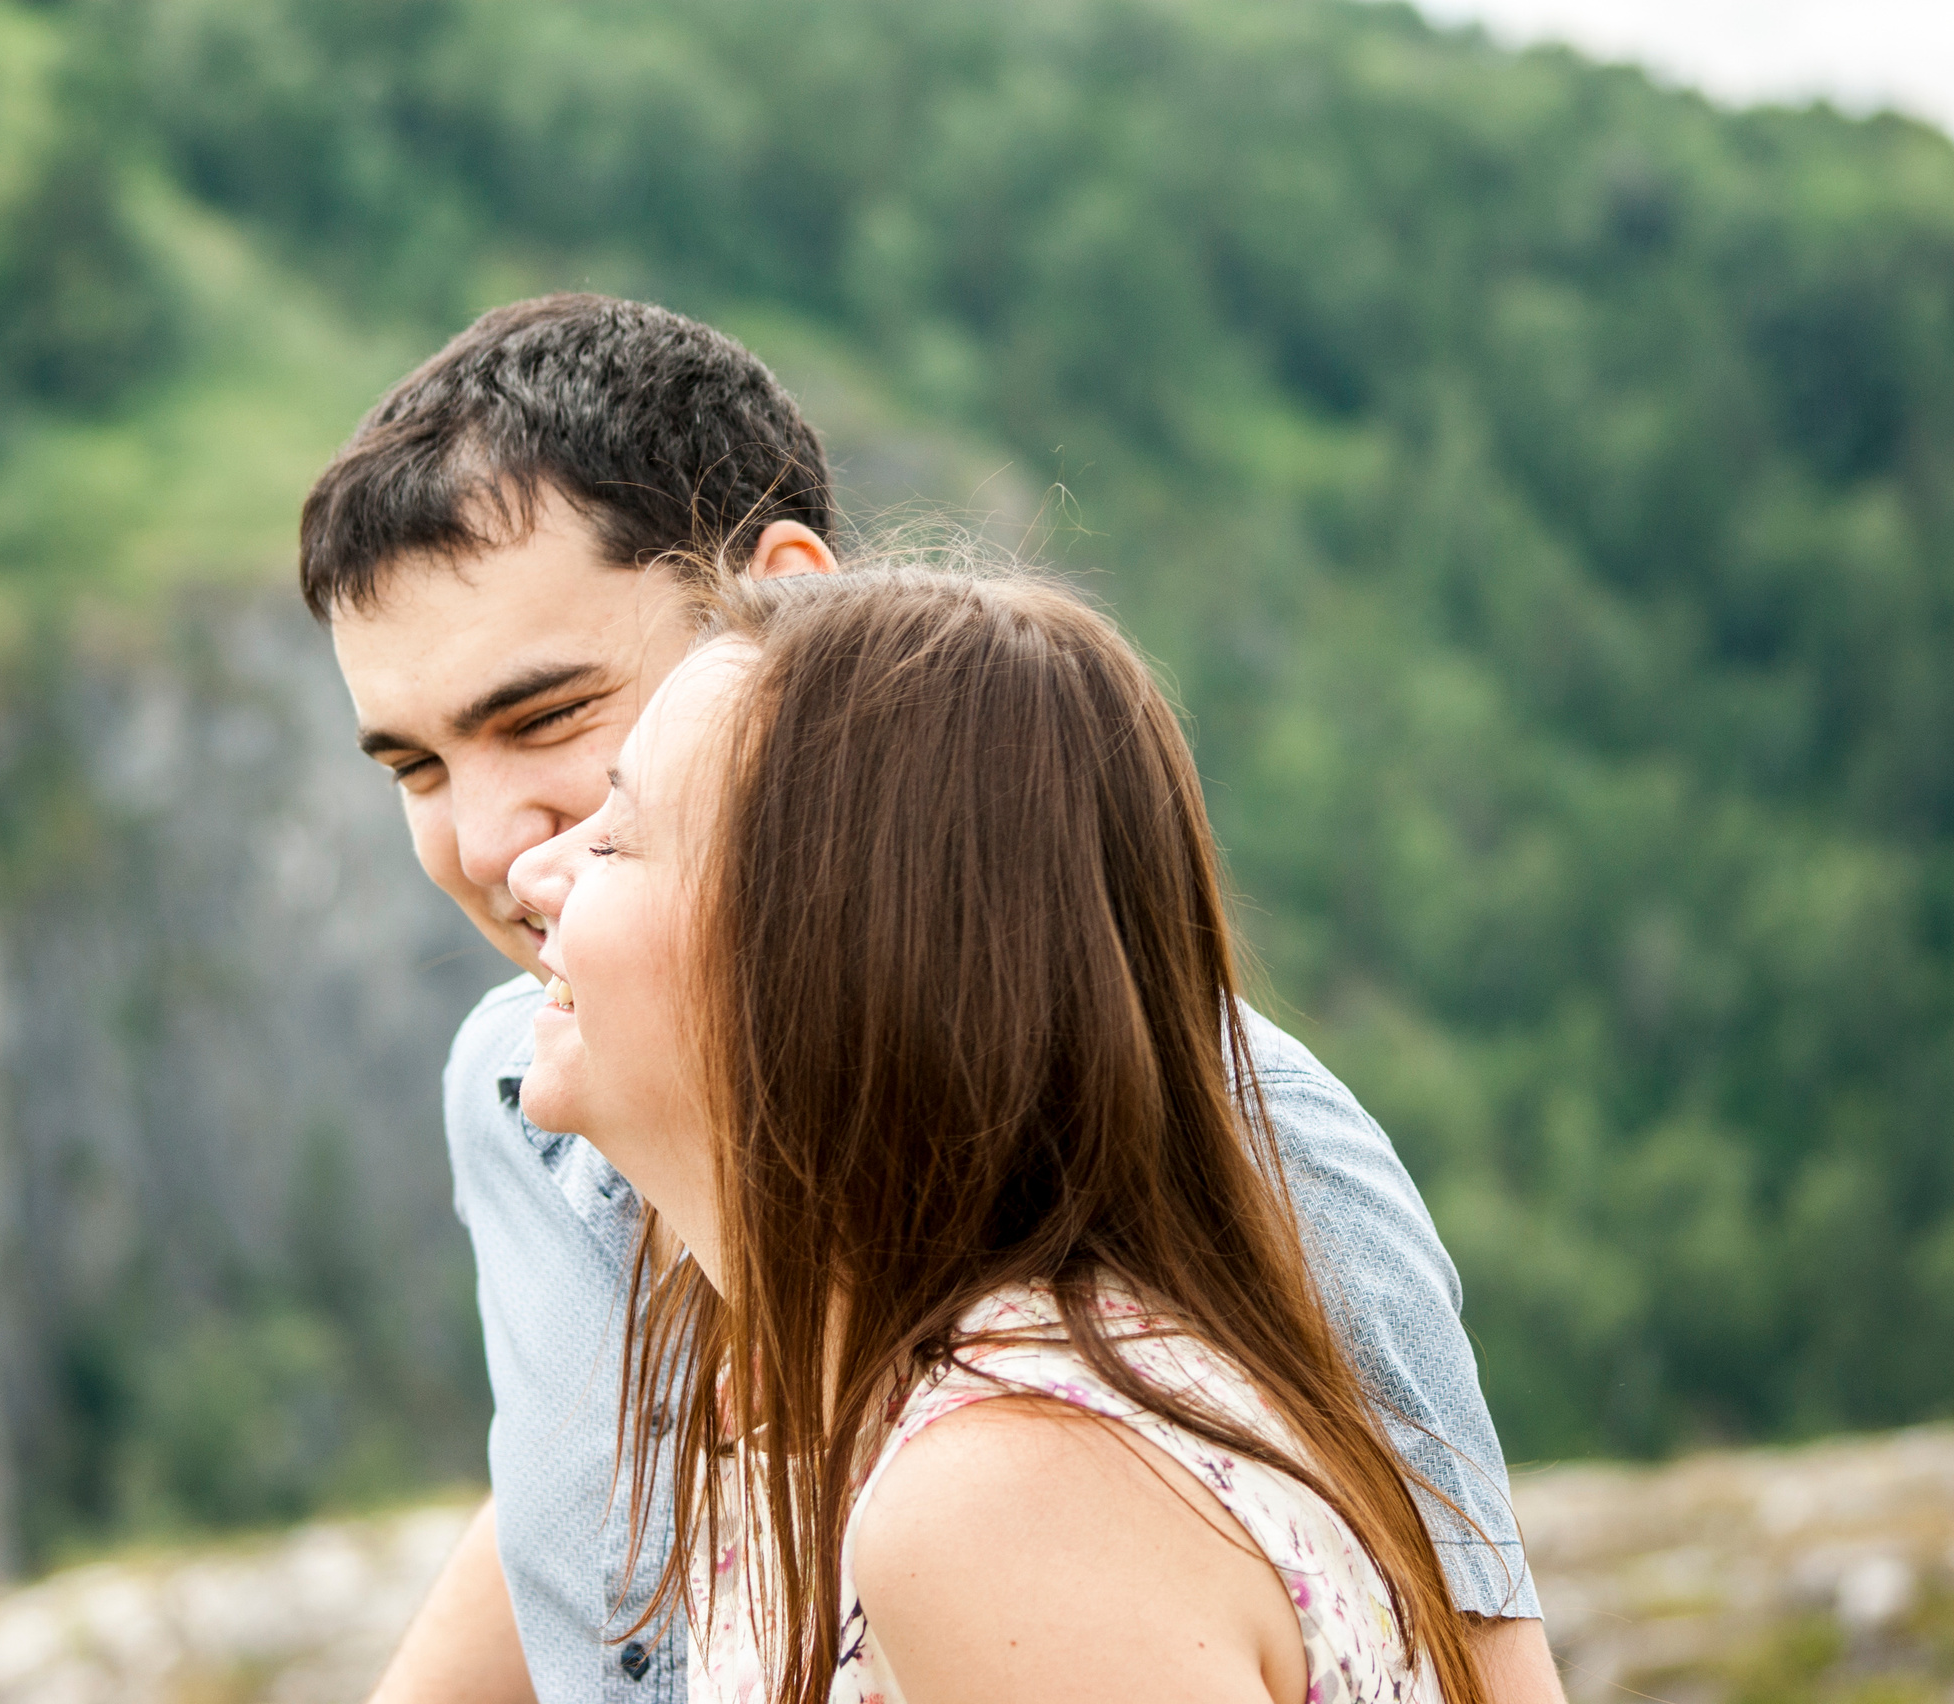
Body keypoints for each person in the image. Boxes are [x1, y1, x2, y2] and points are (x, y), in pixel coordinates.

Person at [299, 293, 1562, 1704]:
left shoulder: (1220, 1127)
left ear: (786, 602)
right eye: (415, 769)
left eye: (547, 717)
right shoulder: (521, 1083)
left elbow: (1463, 1648)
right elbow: (572, 1513)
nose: (489, 846)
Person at [510, 564, 1488, 1704]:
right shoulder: (882, 1414)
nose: (531, 873)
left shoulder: (1009, 1498)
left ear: (824, 959)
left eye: (619, 840)